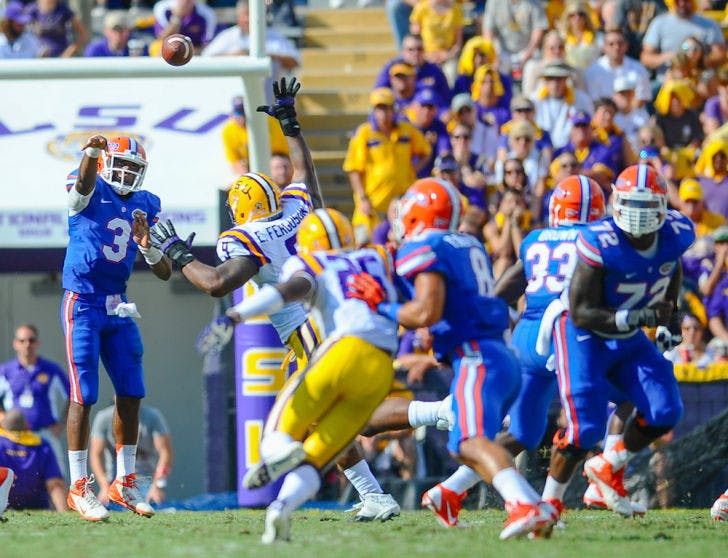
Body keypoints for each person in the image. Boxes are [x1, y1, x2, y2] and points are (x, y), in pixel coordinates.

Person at [151, 78, 401, 522]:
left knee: (315, 421)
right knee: (322, 423)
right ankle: (375, 495)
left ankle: (438, 413)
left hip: (310, 335)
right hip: (332, 323)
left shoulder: (245, 236)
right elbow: (305, 174)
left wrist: (178, 253)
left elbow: (216, 282)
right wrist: (290, 123)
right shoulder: (297, 209)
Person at [350, 178, 557, 539]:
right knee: (465, 444)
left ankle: (525, 504)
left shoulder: (427, 245)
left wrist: (382, 306)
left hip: (476, 356)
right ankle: (458, 498)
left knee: (471, 442)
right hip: (497, 352)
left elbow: (425, 311)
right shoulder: (467, 243)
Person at [425, 175, 606, 527]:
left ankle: (447, 491)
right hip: (567, 334)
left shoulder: (537, 239)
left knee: (523, 431)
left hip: (526, 335)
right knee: (614, 400)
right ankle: (562, 496)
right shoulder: (599, 238)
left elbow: (509, 283)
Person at [225, 208, 399, 544]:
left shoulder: (311, 263)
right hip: (381, 367)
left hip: (343, 351)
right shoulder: (376, 258)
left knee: (278, 428)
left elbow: (289, 290)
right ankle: (281, 508)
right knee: (320, 454)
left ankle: (278, 453)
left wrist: (236, 314)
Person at [546, 164, 694, 517]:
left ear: (662, 206)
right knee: (585, 428)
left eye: (648, 206)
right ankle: (546, 504)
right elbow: (581, 310)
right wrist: (637, 317)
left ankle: (609, 463)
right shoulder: (600, 240)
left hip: (626, 335)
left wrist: (669, 317)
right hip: (582, 333)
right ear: (617, 203)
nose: (640, 215)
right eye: (633, 204)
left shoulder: (675, 234)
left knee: (665, 409)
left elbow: (670, 267)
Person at [61, 133, 173, 521]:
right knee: (85, 393)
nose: (125, 173)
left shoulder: (147, 205)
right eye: (119, 164)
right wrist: (91, 153)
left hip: (117, 304)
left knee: (131, 391)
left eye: (133, 168)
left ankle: (124, 482)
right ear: (107, 164)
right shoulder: (88, 188)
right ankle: (78, 487)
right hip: (83, 302)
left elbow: (164, 273)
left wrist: (146, 245)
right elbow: (82, 186)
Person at [344, 87, 431, 243]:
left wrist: (413, 169)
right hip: (373, 206)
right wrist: (362, 198)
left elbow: (425, 150)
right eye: (379, 108)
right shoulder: (365, 133)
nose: (384, 112)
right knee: (363, 242)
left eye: (387, 107)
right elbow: (354, 169)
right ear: (373, 110)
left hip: (402, 205)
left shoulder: (406, 130)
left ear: (394, 109)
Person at [0, 324, 69, 479]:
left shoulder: (51, 369)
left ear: (37, 343)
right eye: (22, 340)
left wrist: (61, 424)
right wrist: (2, 417)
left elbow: (73, 397)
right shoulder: (5, 370)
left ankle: (58, 504)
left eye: (31, 340)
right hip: (13, 436)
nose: (27, 345)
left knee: (56, 478)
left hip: (45, 433)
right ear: (15, 343)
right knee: (10, 479)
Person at [90, 402, 173, 506]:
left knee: (155, 506)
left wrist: (157, 486)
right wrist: (104, 486)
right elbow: (95, 455)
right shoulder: (104, 417)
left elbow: (165, 452)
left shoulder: (152, 417)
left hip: (144, 483)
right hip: (113, 481)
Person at [202, 0, 300, 78]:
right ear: (238, 16)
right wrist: (236, 56)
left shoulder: (274, 36)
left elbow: (295, 61)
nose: (248, 19)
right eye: (245, 14)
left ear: (261, 15)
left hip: (268, 94)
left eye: (251, 14)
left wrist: (268, 57)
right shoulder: (228, 36)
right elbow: (205, 59)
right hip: (231, 93)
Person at [641, 0, 725, 83]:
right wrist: (670, 58)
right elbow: (645, 57)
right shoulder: (659, 23)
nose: (682, 4)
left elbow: (720, 55)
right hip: (665, 81)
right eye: (678, 1)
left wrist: (696, 62)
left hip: (700, 81)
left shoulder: (709, 24)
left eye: (686, 1)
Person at [0, 409, 67, 511]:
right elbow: (54, 484)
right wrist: (64, 512)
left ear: (3, 426)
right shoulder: (42, 445)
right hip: (38, 507)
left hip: (4, 507)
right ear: (27, 426)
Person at [374, 33, 452, 113]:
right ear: (403, 51)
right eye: (411, 49)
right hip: (397, 115)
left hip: (427, 117)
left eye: (419, 49)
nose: (416, 53)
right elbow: (379, 94)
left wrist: (439, 113)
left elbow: (446, 100)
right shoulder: (392, 68)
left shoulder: (434, 71)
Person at [221, 95, 290, 177]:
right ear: (232, 115)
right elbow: (235, 162)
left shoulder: (270, 122)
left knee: (277, 164)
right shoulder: (228, 130)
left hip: (274, 159)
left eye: (244, 114)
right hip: (250, 166)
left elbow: (284, 153)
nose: (242, 118)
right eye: (238, 114)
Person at [584, 27, 651, 107]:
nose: (616, 47)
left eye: (620, 43)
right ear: (604, 47)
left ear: (626, 46)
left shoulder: (639, 69)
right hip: (605, 114)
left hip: (633, 114)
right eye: (611, 44)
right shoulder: (593, 71)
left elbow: (642, 98)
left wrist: (627, 108)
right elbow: (594, 101)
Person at [481, 0, 548, 76]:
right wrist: (494, 55)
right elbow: (488, 31)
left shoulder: (535, 2)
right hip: (502, 52)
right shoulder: (493, 2)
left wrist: (528, 54)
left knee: (533, 66)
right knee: (491, 69)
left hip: (527, 50)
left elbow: (538, 30)